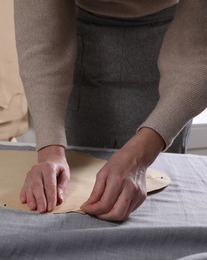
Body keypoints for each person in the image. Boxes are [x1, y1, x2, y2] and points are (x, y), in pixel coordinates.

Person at [14, 0, 207, 221]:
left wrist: (140, 157)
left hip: (178, 38)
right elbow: (40, 40)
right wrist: (50, 150)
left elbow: (201, 54)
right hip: (81, 34)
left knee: (160, 208)